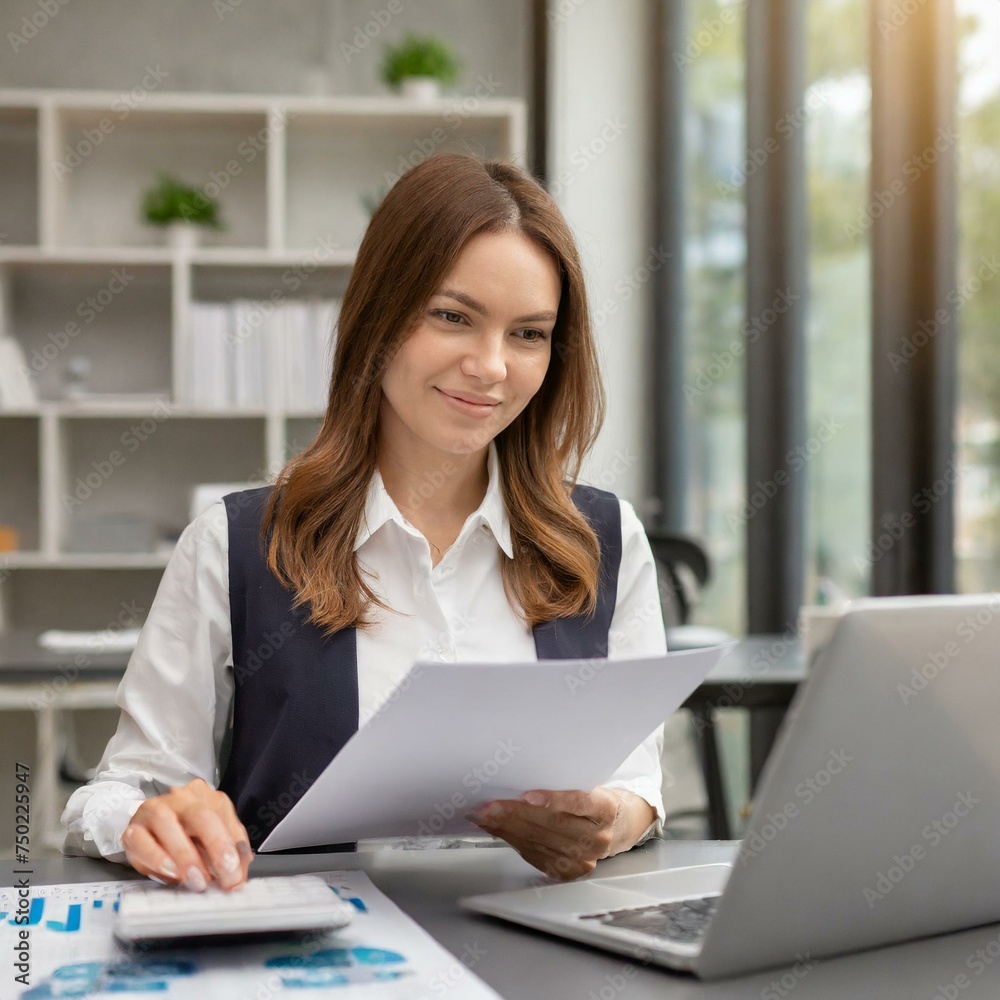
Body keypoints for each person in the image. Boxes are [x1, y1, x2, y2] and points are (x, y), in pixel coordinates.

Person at [62, 151, 668, 891]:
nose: (491, 366)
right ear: (379, 316)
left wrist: (613, 817)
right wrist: (140, 819)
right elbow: (123, 790)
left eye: (529, 334)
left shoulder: (604, 540)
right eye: (452, 317)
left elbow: (639, 781)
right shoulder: (235, 546)